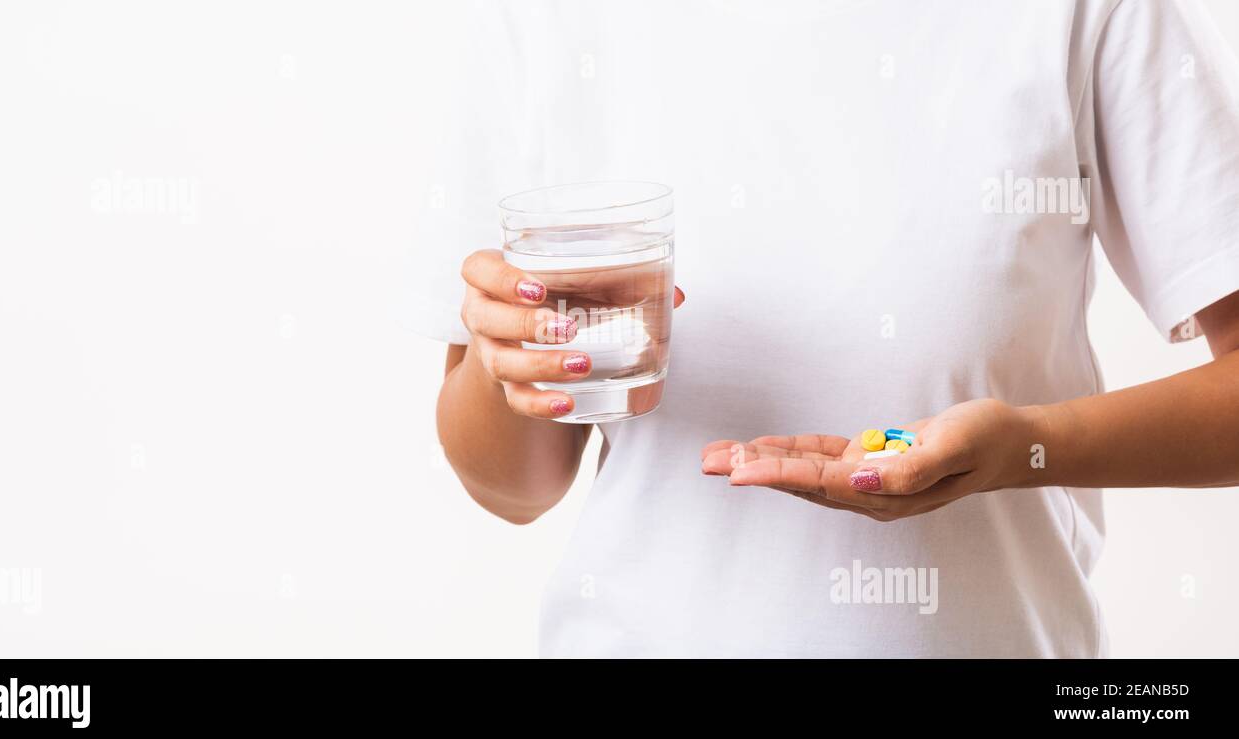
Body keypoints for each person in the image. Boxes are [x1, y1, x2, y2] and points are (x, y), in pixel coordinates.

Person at [414, 0, 1239, 657]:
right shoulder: (538, 21)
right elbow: (515, 488)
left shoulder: (1090, 11)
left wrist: (1025, 447)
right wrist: (507, 364)